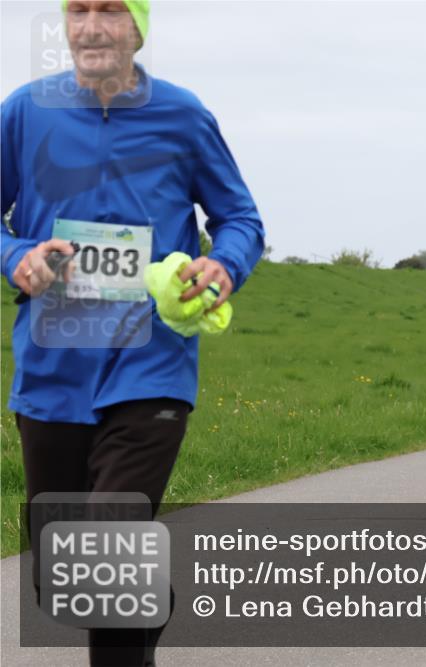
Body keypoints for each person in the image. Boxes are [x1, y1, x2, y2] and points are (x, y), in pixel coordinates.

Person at [1, 2, 265, 663]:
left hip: (152, 362)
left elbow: (240, 217)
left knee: (109, 547)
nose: (92, 26)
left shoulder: (183, 114)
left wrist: (223, 263)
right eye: (79, 10)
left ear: (138, 26)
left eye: (111, 10)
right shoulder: (24, 111)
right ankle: (152, 594)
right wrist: (17, 257)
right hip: (52, 370)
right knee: (65, 576)